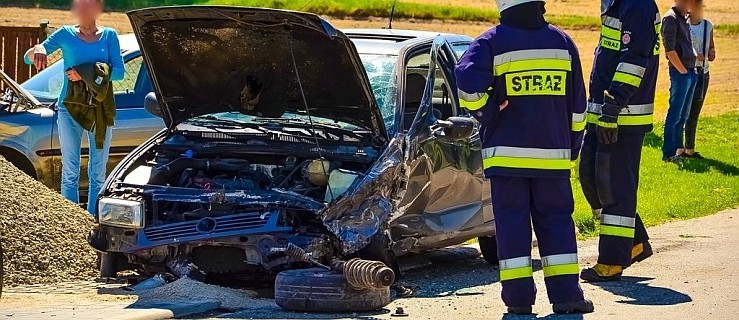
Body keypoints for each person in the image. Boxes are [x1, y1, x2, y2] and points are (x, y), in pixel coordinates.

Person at [455, 0, 593, 314]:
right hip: (552, 158)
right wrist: (571, 147)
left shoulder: (492, 42)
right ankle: (567, 298)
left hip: (507, 161)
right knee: (557, 223)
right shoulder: (562, 42)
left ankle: (519, 303)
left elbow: (465, 81)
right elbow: (578, 106)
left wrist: (487, 111)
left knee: (512, 228)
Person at [579, 0, 661, 282]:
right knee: (590, 175)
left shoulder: (637, 6)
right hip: (603, 112)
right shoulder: (617, 5)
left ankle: (613, 260)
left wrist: (613, 107)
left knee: (615, 188)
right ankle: (634, 242)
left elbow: (635, 61)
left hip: (622, 116)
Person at [25, 0, 124, 214]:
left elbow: (119, 72)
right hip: (69, 109)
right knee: (70, 171)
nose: (84, 10)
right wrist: (39, 48)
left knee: (97, 173)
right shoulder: (65, 34)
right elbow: (27, 59)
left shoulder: (109, 36)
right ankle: (72, 222)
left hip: (99, 110)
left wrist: (85, 72)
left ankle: (93, 220)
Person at [661, 0, 697, 162]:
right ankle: (669, 153)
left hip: (690, 70)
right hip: (681, 72)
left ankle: (679, 151)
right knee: (675, 114)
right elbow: (669, 50)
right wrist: (682, 71)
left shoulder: (684, 18)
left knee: (684, 115)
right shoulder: (671, 18)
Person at [684, 0, 715, 159]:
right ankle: (677, 148)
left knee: (694, 112)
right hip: (687, 72)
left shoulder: (707, 26)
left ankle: (690, 148)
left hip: (703, 73)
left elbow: (711, 46)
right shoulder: (683, 25)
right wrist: (695, 56)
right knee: (683, 112)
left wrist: (711, 52)